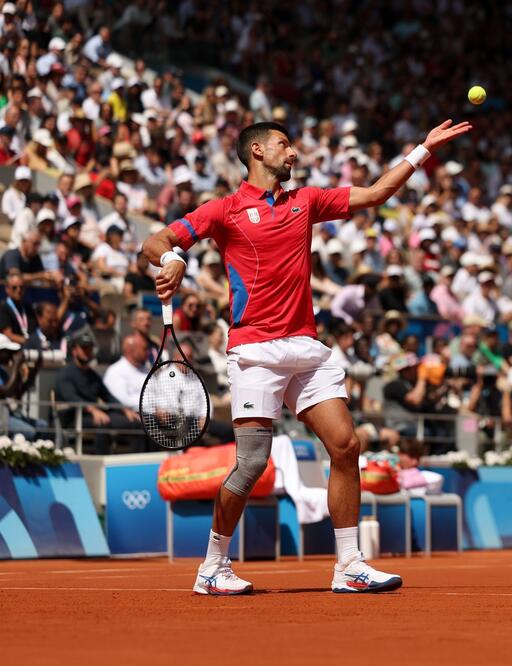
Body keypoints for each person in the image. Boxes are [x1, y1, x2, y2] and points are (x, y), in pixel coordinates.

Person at [142, 118, 470, 595]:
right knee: (252, 463)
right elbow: (156, 241)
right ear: (256, 151)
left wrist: (423, 149)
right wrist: (172, 260)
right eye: (283, 145)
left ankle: (349, 564)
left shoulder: (306, 201)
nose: (293, 153)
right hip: (255, 349)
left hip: (306, 347)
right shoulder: (225, 210)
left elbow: (377, 193)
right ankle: (212, 566)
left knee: (346, 446)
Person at [54, 331, 142, 454]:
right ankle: (103, 461)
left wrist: (124, 409)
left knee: (136, 422)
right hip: (74, 417)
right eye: (83, 348)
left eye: (89, 348)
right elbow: (71, 397)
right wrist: (92, 409)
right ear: (74, 351)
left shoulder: (92, 375)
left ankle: (139, 459)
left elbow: (108, 396)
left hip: (96, 415)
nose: (87, 351)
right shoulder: (66, 373)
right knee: (103, 424)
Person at [0, 332, 44, 438]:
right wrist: (16, 366)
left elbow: (17, 394)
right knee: (30, 432)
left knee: (43, 426)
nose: (11, 355)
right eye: (7, 352)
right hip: (2, 418)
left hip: (6, 414)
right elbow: (4, 392)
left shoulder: (3, 372)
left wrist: (34, 371)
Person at [103, 333, 150, 411]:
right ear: (131, 350)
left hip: (158, 417)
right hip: (132, 417)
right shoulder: (115, 371)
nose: (148, 352)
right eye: (144, 349)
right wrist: (153, 406)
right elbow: (121, 401)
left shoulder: (147, 371)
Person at [0, 273, 36, 344]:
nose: (18, 290)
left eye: (21, 287)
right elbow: (8, 335)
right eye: (14, 288)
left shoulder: (28, 307)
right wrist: (30, 342)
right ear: (7, 289)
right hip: (12, 348)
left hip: (29, 346)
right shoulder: (2, 307)